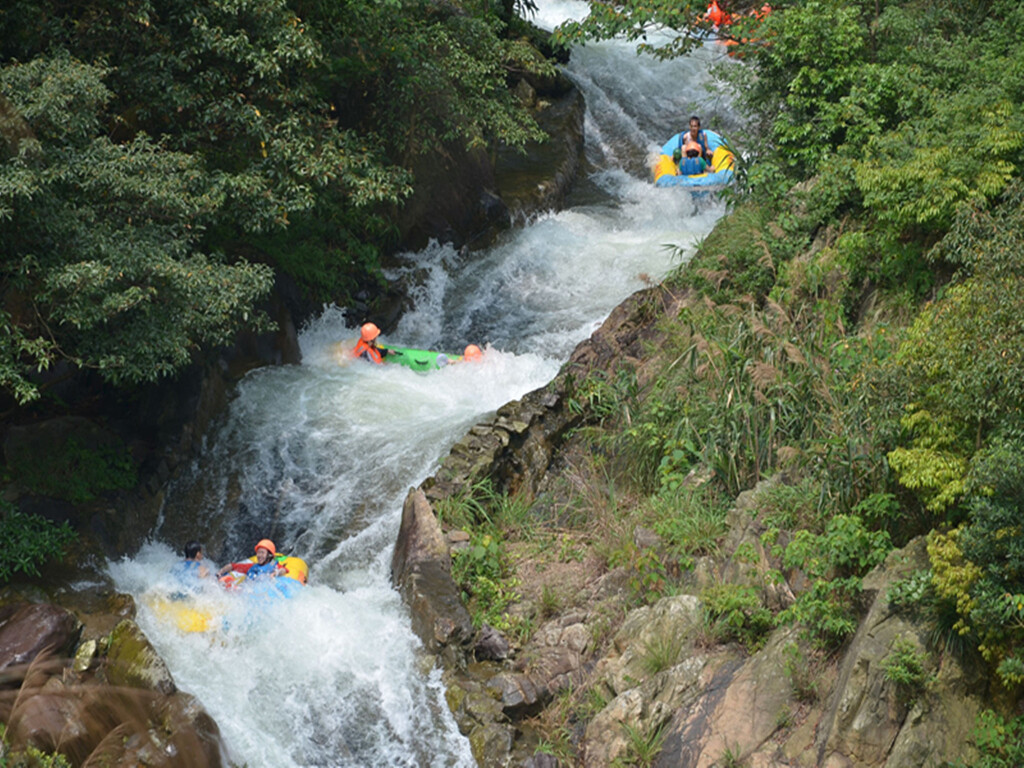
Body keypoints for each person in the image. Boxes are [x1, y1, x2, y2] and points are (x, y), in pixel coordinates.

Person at [218, 539, 283, 581]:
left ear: (269, 555)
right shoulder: (253, 566)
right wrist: (220, 572)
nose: (259, 555)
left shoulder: (273, 565)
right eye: (258, 552)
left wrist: (274, 574)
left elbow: (283, 570)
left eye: (262, 553)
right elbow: (232, 566)